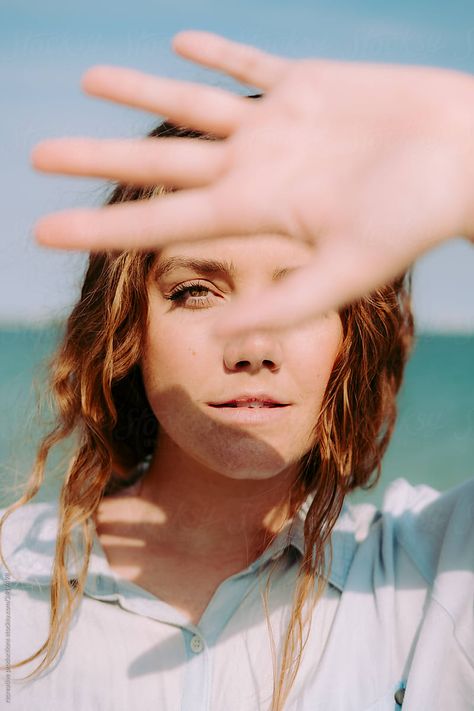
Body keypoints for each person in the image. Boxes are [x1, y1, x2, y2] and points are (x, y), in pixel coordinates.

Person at [0, 30, 473, 711]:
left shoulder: (428, 579)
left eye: (304, 293)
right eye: (196, 290)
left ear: (351, 337)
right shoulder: (14, 580)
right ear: (129, 330)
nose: (254, 343)